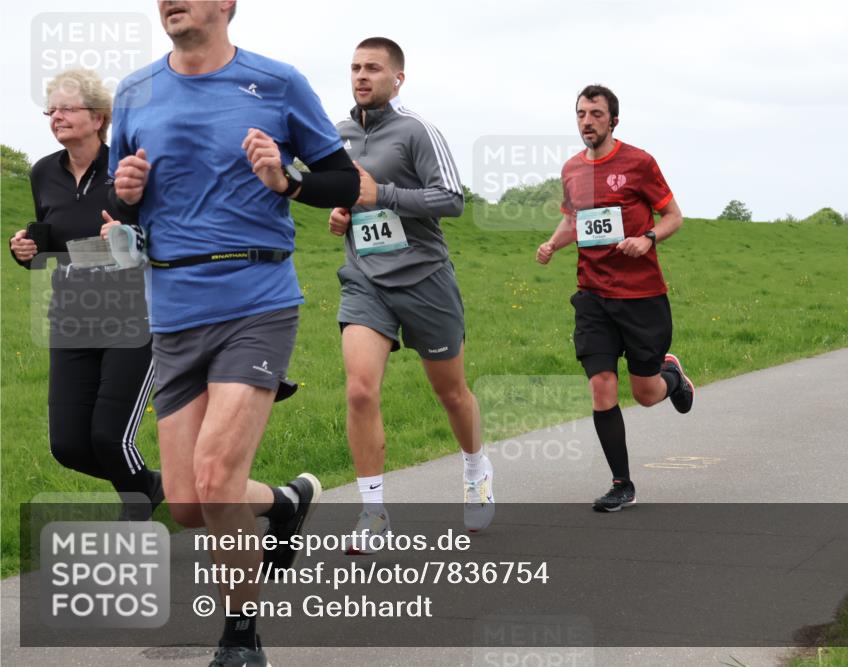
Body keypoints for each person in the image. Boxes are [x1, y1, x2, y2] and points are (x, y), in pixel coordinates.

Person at [108, 2, 359, 665]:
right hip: (172, 310)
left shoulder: (276, 83)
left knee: (217, 479)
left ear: (227, 6)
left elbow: (344, 179)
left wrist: (287, 177)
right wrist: (126, 192)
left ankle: (241, 637)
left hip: (256, 300)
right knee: (189, 502)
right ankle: (282, 504)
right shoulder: (134, 91)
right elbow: (122, 205)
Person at [328, 37, 493, 546]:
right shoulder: (337, 134)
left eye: (373, 68)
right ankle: (373, 511)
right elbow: (343, 194)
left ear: (397, 78)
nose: (362, 75)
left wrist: (384, 195)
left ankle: (475, 470)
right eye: (356, 67)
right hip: (365, 281)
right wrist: (343, 212)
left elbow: (451, 199)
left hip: (424, 279)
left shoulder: (417, 130)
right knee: (359, 389)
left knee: (450, 393)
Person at [8, 69, 162, 520]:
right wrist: (26, 249)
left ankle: (139, 510)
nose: (56, 117)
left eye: (66, 108)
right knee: (69, 445)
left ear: (98, 117)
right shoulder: (43, 173)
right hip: (72, 317)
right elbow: (57, 243)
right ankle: (155, 485)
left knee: (110, 438)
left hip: (134, 315)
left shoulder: (128, 170)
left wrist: (128, 235)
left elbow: (165, 236)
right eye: (50, 110)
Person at [536, 84, 695, 512]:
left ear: (613, 121)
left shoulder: (639, 163)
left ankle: (673, 377)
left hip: (642, 295)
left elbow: (674, 216)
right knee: (601, 386)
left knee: (645, 393)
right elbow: (574, 220)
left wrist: (647, 239)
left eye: (596, 114)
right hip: (592, 295)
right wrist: (553, 244)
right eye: (581, 114)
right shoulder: (571, 169)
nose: (587, 121)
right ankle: (622, 483)